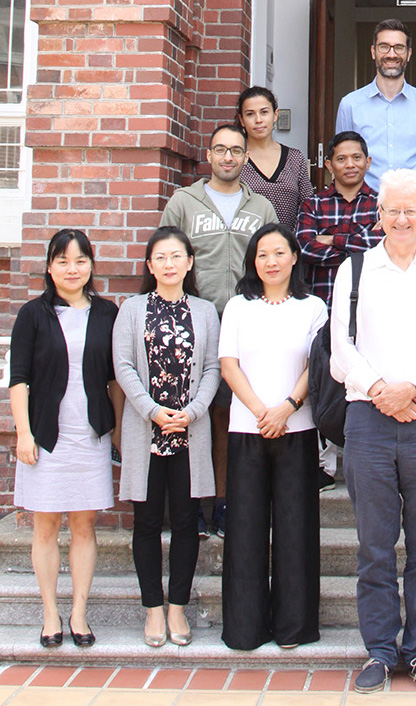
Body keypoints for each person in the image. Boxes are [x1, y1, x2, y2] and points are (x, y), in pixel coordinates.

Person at [330, 169, 416, 694]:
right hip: (368, 417)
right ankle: (380, 650)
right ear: (378, 213)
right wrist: (382, 389)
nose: (403, 219)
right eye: (393, 210)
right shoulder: (356, 270)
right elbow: (342, 347)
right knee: (374, 544)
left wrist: (412, 389)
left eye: (411, 210)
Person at [159, 123, 278, 539]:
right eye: (221, 150)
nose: (228, 157)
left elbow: (273, 260)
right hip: (191, 322)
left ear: (247, 158)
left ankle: (225, 504)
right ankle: (190, 506)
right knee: (193, 415)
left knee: (231, 416)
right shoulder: (183, 202)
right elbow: (162, 255)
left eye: (236, 151)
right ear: (208, 156)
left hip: (244, 325)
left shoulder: (261, 207)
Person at [8, 229, 122, 649]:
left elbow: (115, 380)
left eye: (80, 261)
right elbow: (18, 379)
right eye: (63, 261)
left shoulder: (107, 313)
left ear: (91, 265)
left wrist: (118, 434)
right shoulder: (33, 315)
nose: (72, 269)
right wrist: (24, 433)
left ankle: (78, 612)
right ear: (49, 266)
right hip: (45, 436)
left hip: (89, 434)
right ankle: (49, 612)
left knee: (84, 524)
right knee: (45, 524)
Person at [218, 223, 328, 651]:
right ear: (253, 261)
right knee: (245, 531)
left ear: (294, 257)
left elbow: (314, 368)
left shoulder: (313, 307)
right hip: (247, 429)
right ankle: (245, 629)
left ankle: (293, 627)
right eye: (262, 254)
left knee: (295, 529)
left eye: (279, 253)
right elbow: (229, 365)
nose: (271, 262)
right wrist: (263, 411)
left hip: (296, 429)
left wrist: (287, 408)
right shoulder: (238, 307)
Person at [113, 226, 221, 648]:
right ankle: (152, 611)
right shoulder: (133, 309)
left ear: (190, 262)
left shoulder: (206, 311)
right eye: (161, 257)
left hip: (189, 432)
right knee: (145, 522)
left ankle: (178, 608)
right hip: (147, 429)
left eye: (177, 256)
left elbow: (213, 368)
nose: (169, 264)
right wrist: (153, 412)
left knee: (185, 521)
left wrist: (191, 413)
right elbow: (123, 367)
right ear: (149, 265)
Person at [297, 130, 382, 490]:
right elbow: (304, 245)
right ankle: (324, 465)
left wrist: (332, 238)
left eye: (357, 158)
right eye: (342, 159)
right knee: (322, 382)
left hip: (370, 309)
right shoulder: (314, 203)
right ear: (329, 164)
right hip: (323, 304)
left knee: (368, 379)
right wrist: (355, 243)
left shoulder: (381, 202)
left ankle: (371, 460)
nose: (350, 164)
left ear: (368, 161)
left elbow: (382, 244)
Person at [335, 18, 416, 194]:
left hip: (412, 210)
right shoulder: (350, 105)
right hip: (363, 210)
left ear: (408, 53)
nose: (391, 54)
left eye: (399, 47)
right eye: (384, 47)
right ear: (373, 52)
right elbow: (342, 159)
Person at [236, 86, 314, 232]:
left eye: (264, 112)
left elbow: (308, 206)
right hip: (246, 247)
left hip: (287, 246)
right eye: (250, 114)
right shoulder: (235, 159)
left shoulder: (295, 158)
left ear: (275, 114)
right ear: (241, 119)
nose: (258, 120)